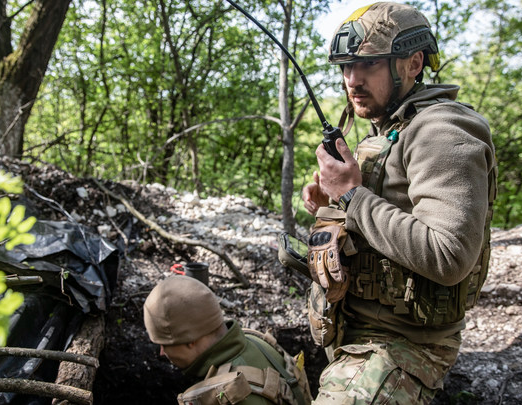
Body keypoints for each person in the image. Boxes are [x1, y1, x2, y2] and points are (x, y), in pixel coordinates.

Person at [300, 2, 497, 404]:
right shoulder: (391, 126)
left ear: (412, 64)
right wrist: (333, 202)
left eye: (367, 65)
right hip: (357, 333)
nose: (351, 80)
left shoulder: (442, 130)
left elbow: (449, 255)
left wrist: (352, 197)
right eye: (345, 66)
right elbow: (389, 206)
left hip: (404, 344)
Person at [143, 275, 312, 405]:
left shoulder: (233, 395)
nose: (162, 352)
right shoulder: (255, 340)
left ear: (190, 340)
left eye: (164, 344)